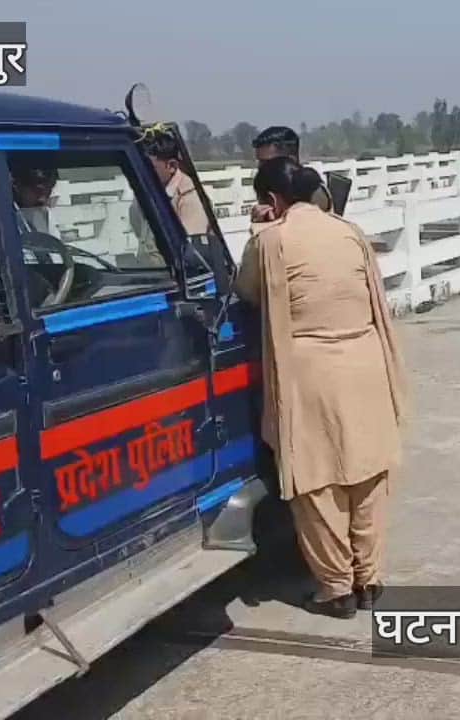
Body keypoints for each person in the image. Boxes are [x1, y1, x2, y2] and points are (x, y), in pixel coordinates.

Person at [234, 156, 407, 619]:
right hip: (366, 360)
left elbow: (247, 291)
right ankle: (369, 578)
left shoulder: (271, 240)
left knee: (317, 480)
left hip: (311, 371)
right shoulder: (348, 231)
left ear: (272, 200)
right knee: (368, 473)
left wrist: (258, 230)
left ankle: (336, 588)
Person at [130, 127, 211, 264]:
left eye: (150, 168)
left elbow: (188, 253)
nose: (143, 173)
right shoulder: (146, 192)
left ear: (171, 166)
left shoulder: (190, 197)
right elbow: (138, 228)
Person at [249, 126, 332, 232]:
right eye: (259, 162)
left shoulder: (312, 192)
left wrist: (266, 228)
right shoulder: (271, 190)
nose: (260, 168)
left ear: (291, 160)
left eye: (266, 163)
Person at [9, 155, 59, 236]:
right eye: (38, 191)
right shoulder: (3, 217)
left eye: (49, 190)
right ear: (17, 185)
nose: (43, 199)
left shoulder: (43, 215)